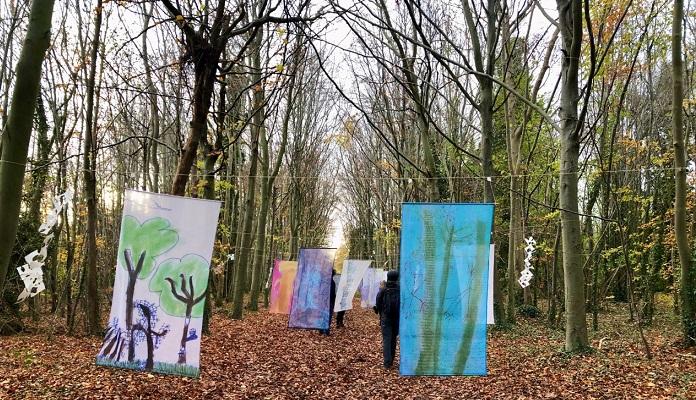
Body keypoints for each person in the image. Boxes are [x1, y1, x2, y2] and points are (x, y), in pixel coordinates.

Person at [374, 270, 400, 369]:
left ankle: (387, 363)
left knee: (387, 340)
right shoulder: (401, 290)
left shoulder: (383, 290)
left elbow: (378, 303)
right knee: (393, 339)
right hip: (397, 319)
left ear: (388, 277)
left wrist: (381, 314)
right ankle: (392, 359)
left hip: (386, 318)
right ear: (397, 278)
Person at [320, 269, 338, 335]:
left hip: (323, 301)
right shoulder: (332, 282)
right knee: (328, 316)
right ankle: (326, 331)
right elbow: (333, 293)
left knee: (322, 315)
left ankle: (321, 330)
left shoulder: (323, 281)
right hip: (329, 301)